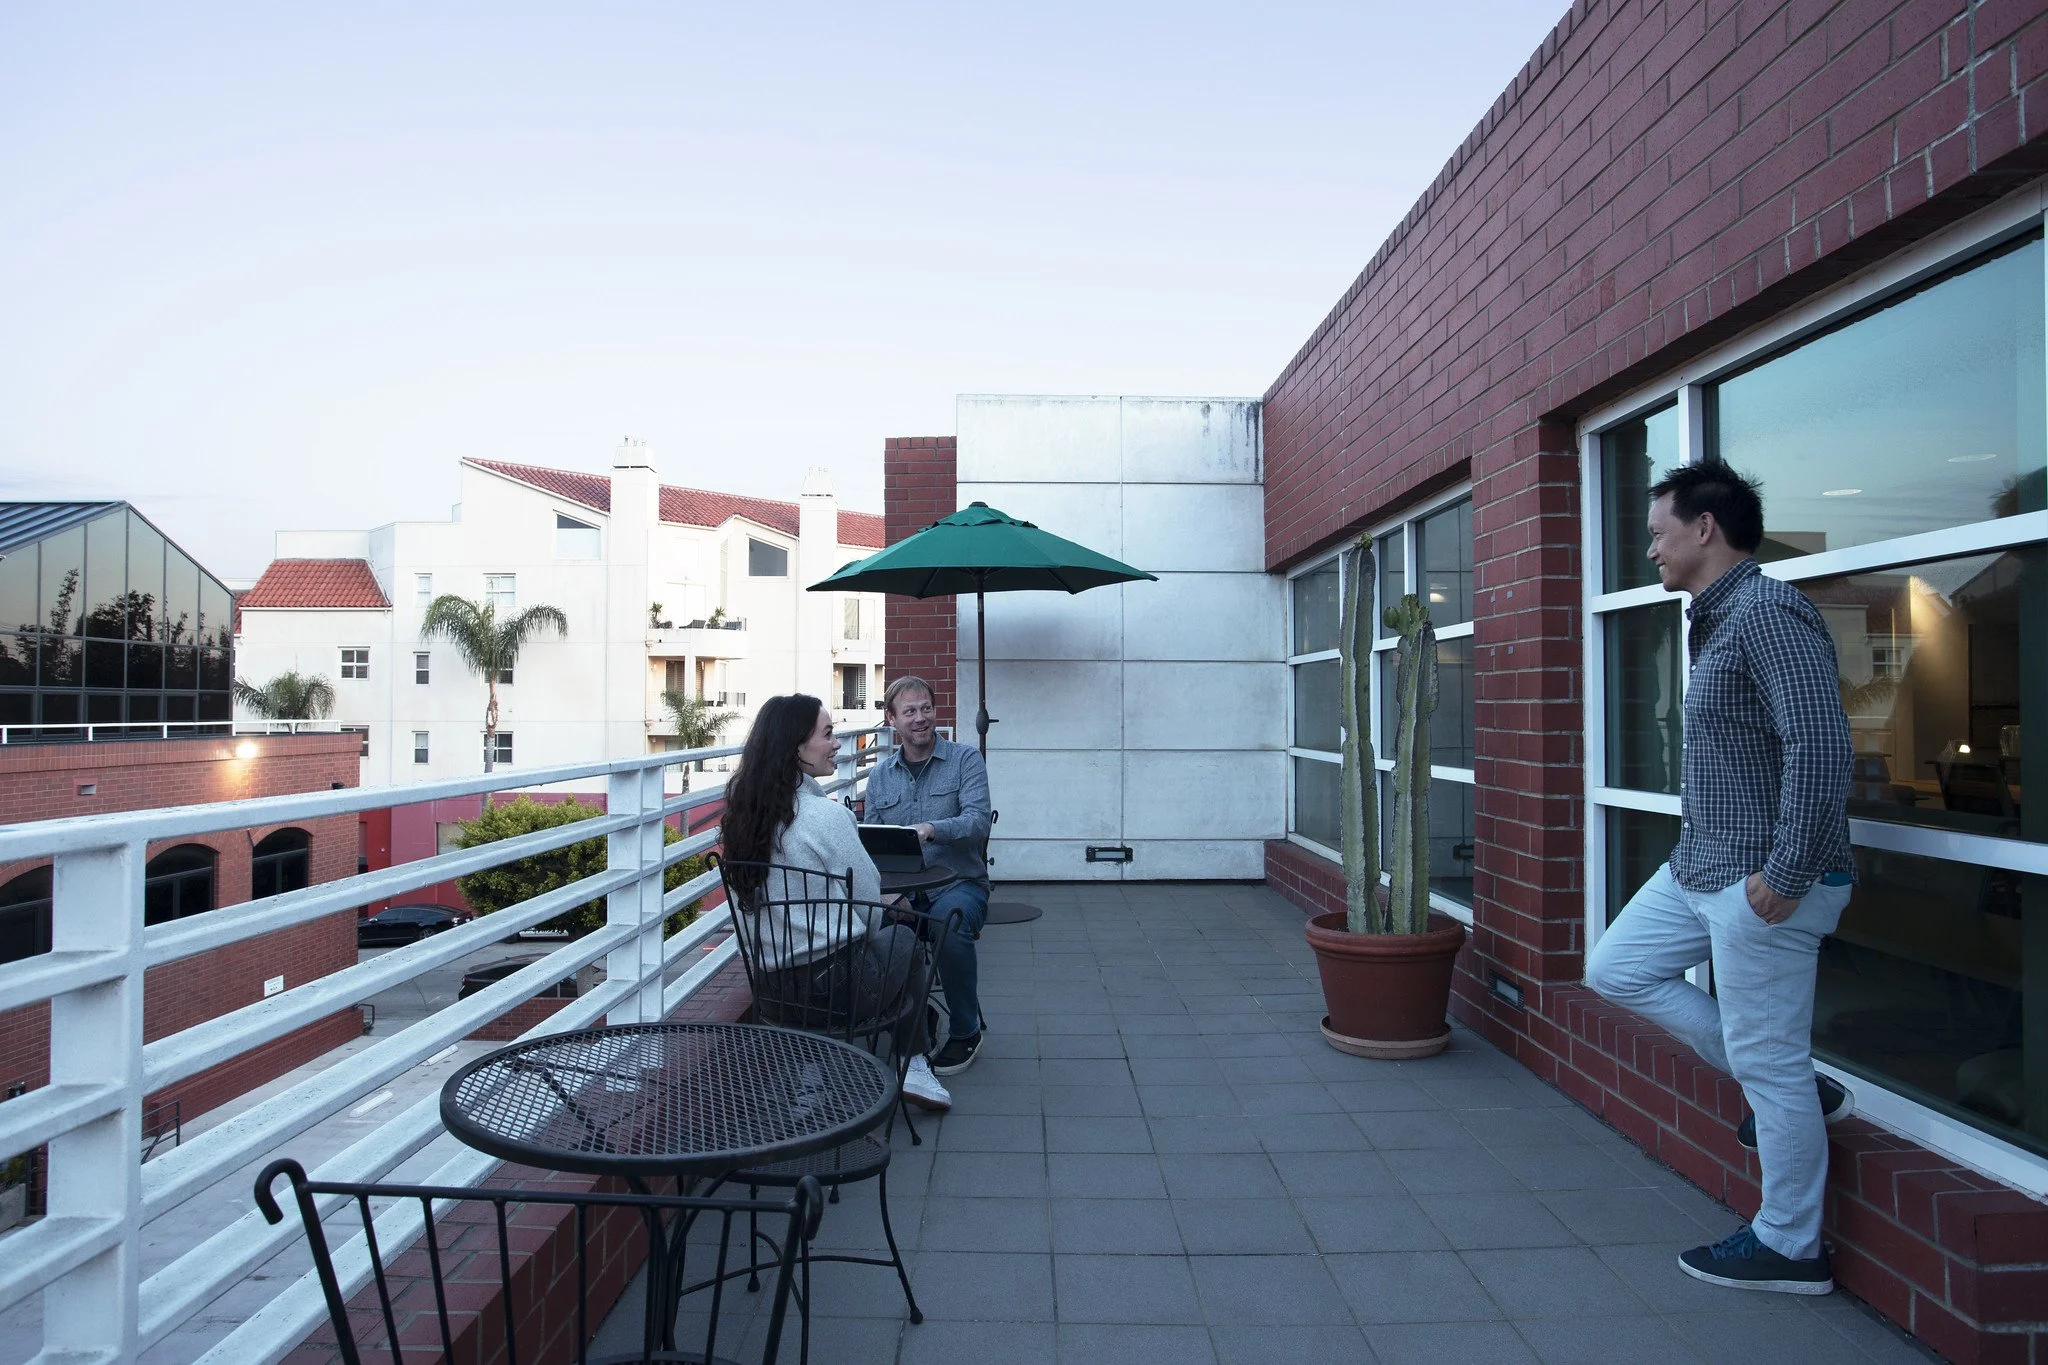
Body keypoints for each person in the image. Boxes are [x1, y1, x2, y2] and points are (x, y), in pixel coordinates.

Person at [1585, 463, 1858, 1295]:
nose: (1649, 545)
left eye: (1659, 529)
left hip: (1763, 881)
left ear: (1706, 528)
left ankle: (1790, 1244)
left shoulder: (1769, 612)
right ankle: (1795, 1087)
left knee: (1769, 1063)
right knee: (1614, 968)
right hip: (1700, 864)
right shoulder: (1715, 617)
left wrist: (1786, 873)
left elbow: (1822, 747)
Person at [722, 693, 951, 1111]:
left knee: (878, 936)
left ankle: (811, 1080)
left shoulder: (743, 819)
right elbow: (868, 902)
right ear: (796, 748)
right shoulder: (825, 816)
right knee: (905, 936)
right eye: (828, 734)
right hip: (840, 992)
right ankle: (914, 1064)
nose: (837, 744)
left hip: (773, 992)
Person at [862, 676, 992, 1076]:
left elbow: (978, 822)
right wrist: (884, 897)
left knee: (949, 925)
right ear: (891, 720)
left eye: (927, 709)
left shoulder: (965, 760)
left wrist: (933, 828)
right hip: (900, 893)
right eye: (910, 711)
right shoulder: (879, 777)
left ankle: (966, 1032)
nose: (920, 719)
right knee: (859, 929)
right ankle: (915, 1020)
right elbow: (869, 848)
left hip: (959, 884)